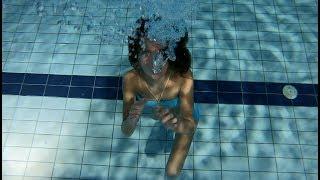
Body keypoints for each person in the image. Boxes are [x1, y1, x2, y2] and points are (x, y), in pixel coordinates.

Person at [121, 17, 199, 178]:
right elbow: (126, 131)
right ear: (137, 54)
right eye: (147, 53)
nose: (156, 62)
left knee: (172, 172)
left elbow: (190, 124)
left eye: (162, 53)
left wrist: (178, 126)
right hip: (159, 113)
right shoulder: (131, 79)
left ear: (172, 53)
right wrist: (131, 120)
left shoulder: (183, 77)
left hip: (181, 116)